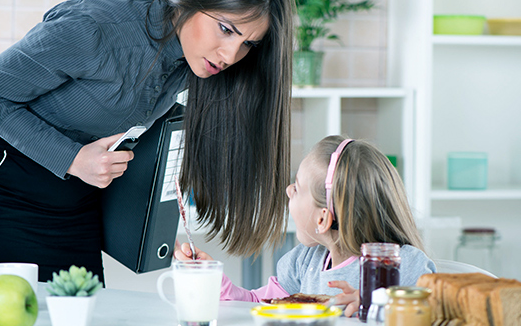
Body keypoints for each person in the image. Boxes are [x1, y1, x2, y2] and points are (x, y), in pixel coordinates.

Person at [0, 0, 294, 283]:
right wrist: (73, 159)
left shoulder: (191, 66)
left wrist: (152, 230)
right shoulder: (95, 30)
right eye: (225, 29)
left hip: (75, 207)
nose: (231, 55)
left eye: (247, 43)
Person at [175, 135, 437, 317]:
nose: (288, 190)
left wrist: (377, 306)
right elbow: (263, 304)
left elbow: (438, 313)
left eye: (297, 188)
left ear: (322, 219)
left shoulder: (402, 265)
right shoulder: (303, 262)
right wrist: (215, 283)